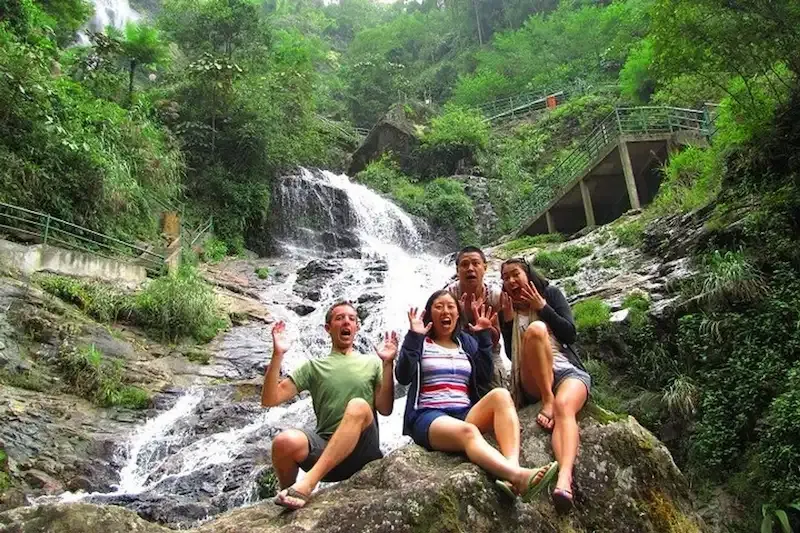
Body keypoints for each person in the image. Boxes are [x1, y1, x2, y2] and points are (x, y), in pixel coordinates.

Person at [396, 290, 558, 500]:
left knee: (500, 394)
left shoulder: (466, 343)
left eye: (450, 306)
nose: (445, 311)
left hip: (465, 412)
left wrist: (482, 336)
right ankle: (520, 476)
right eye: (439, 306)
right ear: (429, 314)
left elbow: (482, 376)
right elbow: (403, 375)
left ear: (457, 314)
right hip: (428, 416)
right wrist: (413, 337)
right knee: (469, 432)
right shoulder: (420, 342)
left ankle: (511, 468)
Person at [261, 301, 397, 510]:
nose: (346, 322)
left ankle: (306, 484)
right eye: (340, 318)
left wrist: (388, 364)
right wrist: (277, 354)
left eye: (352, 319)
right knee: (284, 442)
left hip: (364, 453)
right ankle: (290, 497)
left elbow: (385, 409)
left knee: (359, 406)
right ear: (328, 328)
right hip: (326, 452)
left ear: (357, 327)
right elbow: (270, 399)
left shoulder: (372, 363)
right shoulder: (314, 367)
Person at [498, 258, 591, 513]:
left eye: (514, 274)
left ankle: (564, 481)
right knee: (537, 329)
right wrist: (507, 324)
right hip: (534, 381)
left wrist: (543, 306)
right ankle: (547, 399)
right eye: (505, 278)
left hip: (567, 371)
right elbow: (512, 354)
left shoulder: (550, 293)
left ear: (527, 274)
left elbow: (570, 334)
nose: (510, 281)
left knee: (565, 408)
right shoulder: (508, 308)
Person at [445, 246, 506, 389]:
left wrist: (486, 327)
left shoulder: (495, 296)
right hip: (456, 352)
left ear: (485, 267)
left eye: (475, 263)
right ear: (457, 270)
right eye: (464, 264)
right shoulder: (449, 296)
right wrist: (457, 317)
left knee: (498, 385)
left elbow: (496, 339)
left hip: (490, 352)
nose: (470, 268)